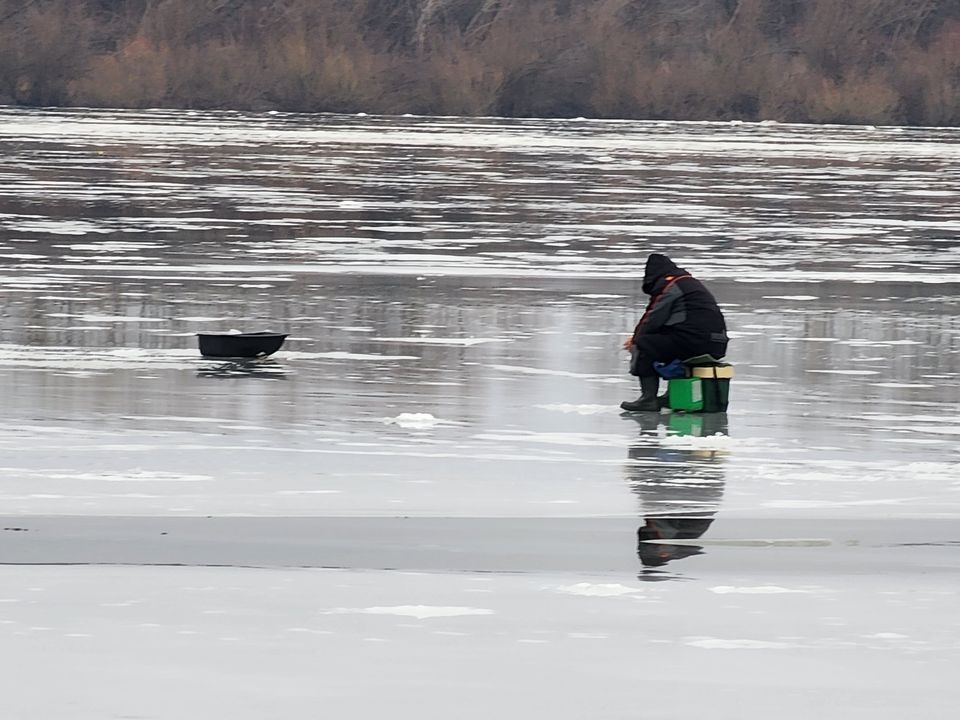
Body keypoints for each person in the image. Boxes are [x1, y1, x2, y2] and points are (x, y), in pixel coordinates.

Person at [621, 253, 728, 412]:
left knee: (645, 344)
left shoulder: (671, 286)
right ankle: (671, 396)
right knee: (669, 343)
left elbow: (652, 318)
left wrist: (635, 340)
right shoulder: (690, 284)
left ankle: (648, 399)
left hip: (695, 341)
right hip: (716, 343)